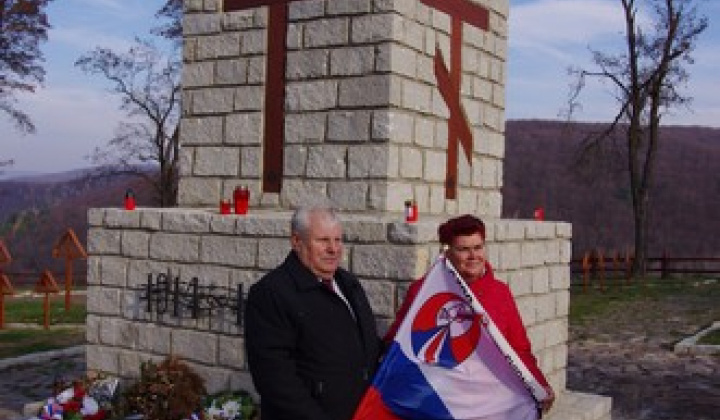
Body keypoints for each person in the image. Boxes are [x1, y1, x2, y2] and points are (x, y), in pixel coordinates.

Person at [384, 214, 556, 414]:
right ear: (447, 253)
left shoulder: (500, 293)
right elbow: (397, 344)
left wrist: (539, 384)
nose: (473, 256)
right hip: (443, 403)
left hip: (490, 401)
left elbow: (519, 349)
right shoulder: (422, 292)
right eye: (464, 249)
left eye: (478, 247)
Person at [244, 205, 382, 420]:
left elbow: (367, 347)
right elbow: (275, 379)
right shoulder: (272, 293)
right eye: (323, 240)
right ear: (297, 241)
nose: (333, 249)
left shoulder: (348, 284)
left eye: (338, 240)